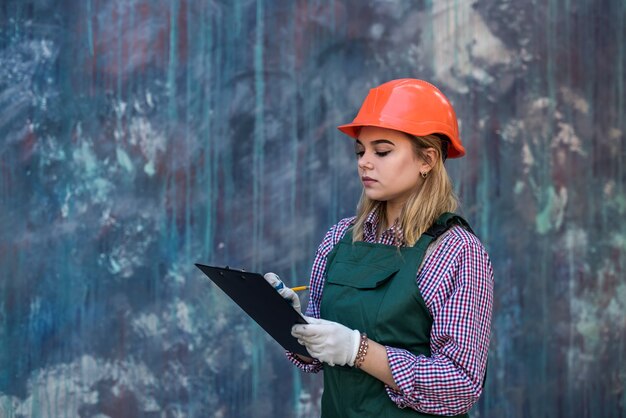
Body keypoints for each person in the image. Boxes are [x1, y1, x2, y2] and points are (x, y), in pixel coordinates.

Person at [264, 78, 494, 417]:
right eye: (360, 151)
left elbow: (460, 384)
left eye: (382, 151)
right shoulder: (340, 238)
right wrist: (293, 325)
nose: (364, 162)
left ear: (427, 159)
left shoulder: (456, 251)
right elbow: (320, 355)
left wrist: (359, 351)